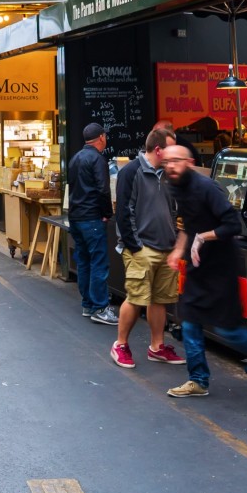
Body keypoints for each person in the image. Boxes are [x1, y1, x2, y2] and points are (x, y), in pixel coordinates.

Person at [162, 144, 247, 394]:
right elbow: (187, 225)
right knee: (189, 322)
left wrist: (203, 237)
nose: (170, 166)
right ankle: (198, 380)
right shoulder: (176, 186)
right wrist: (178, 251)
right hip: (197, 266)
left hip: (221, 268)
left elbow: (233, 224)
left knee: (227, 329)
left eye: (176, 161)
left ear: (189, 162)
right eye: (166, 162)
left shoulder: (206, 188)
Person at [110, 127, 182, 370]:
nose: (174, 154)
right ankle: (120, 345)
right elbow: (123, 212)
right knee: (136, 297)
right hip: (141, 247)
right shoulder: (132, 171)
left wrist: (174, 240)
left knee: (160, 299)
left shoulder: (168, 173)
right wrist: (136, 246)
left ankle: (157, 347)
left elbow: (172, 208)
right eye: (171, 149)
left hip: (165, 246)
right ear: (159, 149)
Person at [66, 123, 119, 325]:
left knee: (84, 261)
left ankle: (88, 304)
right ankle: (100, 307)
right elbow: (103, 190)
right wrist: (107, 213)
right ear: (102, 137)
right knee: (98, 262)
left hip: (76, 217)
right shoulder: (97, 159)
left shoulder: (75, 158)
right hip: (92, 218)